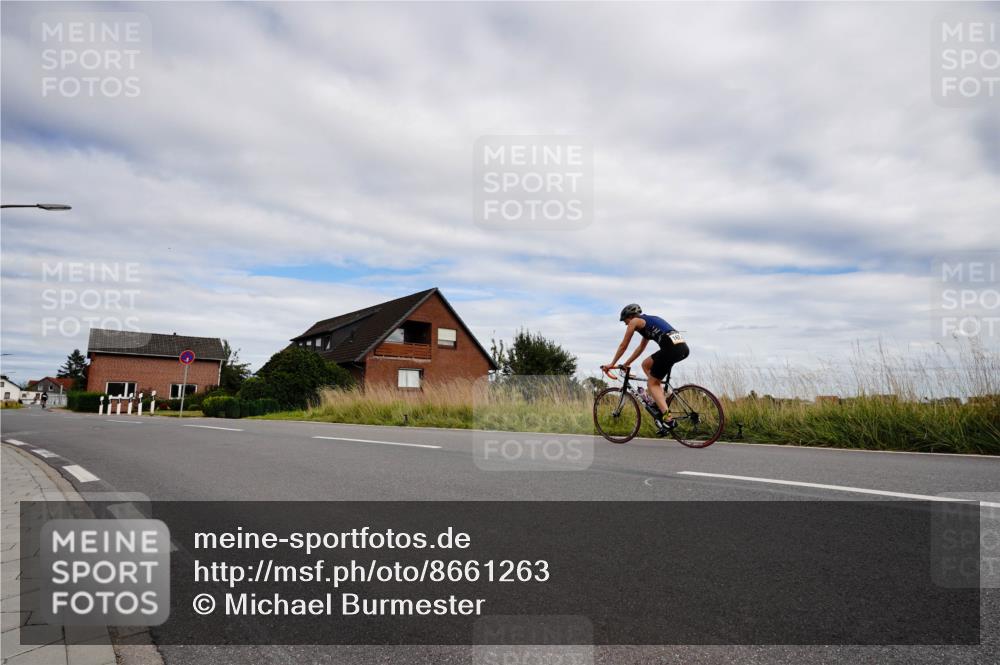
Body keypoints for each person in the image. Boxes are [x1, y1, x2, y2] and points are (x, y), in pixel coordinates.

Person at [601, 303, 690, 436]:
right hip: (682, 348)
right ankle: (659, 398)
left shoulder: (635, 321)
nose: (626, 324)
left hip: (670, 349)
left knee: (652, 384)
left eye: (625, 321)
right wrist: (626, 364)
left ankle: (668, 420)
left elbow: (623, 345)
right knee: (646, 364)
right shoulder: (648, 322)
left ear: (630, 316)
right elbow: (640, 348)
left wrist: (612, 363)